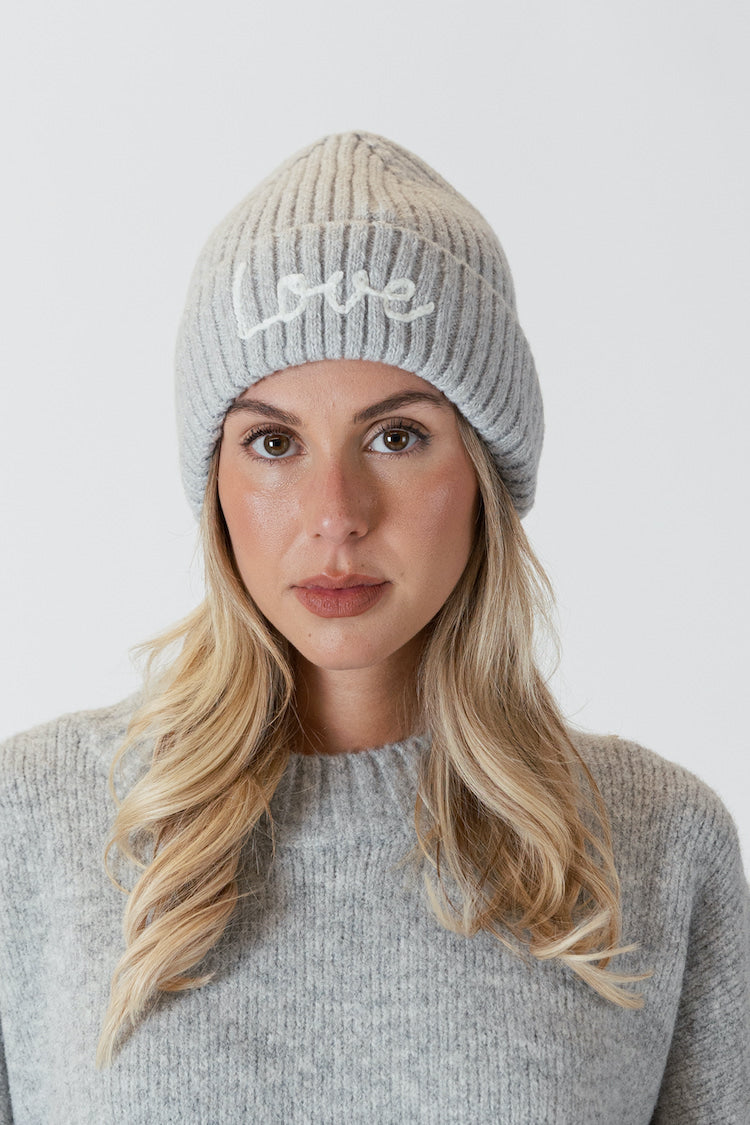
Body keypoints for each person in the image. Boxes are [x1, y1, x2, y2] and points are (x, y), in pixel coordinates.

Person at [0, 130, 747, 1125]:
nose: (336, 514)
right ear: (215, 484)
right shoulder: (32, 824)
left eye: (397, 436)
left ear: (484, 475)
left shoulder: (658, 843)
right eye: (273, 442)